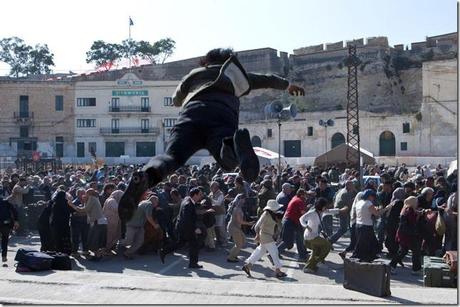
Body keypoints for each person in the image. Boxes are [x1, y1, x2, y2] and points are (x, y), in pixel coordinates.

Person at [119, 48, 305, 222]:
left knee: (171, 157)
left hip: (192, 116)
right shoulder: (235, 76)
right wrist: (287, 85)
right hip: (222, 116)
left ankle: (145, 176)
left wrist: (188, 92)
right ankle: (233, 143)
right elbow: (267, 79)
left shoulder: (194, 74)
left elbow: (176, 100)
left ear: (205, 62)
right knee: (227, 160)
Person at [160, 187, 205, 269]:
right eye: (200, 194)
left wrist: (199, 204)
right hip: (186, 228)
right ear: (195, 195)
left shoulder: (187, 199)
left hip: (182, 227)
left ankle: (164, 251)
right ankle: (193, 264)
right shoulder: (188, 205)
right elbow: (187, 219)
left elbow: (192, 205)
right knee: (194, 244)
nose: (201, 196)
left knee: (180, 243)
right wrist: (195, 229)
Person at [242, 200, 287, 279]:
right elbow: (257, 226)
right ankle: (278, 271)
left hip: (266, 236)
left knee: (260, 251)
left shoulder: (271, 214)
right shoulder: (266, 214)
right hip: (265, 236)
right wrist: (257, 235)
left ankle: (247, 266)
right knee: (274, 252)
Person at [299, 197, 342, 273]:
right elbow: (301, 219)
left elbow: (330, 211)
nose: (326, 208)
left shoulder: (321, 212)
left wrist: (340, 210)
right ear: (321, 206)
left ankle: (309, 267)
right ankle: (319, 261)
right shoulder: (312, 213)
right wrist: (306, 226)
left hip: (314, 236)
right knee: (327, 245)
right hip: (310, 237)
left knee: (317, 250)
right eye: (325, 206)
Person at [351, 189, 393, 262]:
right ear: (369, 196)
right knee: (369, 244)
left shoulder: (359, 202)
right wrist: (386, 208)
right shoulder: (368, 203)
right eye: (373, 196)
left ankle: (363, 258)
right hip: (366, 226)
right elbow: (377, 214)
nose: (373, 198)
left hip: (358, 225)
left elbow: (367, 211)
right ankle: (365, 259)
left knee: (362, 243)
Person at [390, 196, 427, 274]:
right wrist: (419, 215)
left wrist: (420, 213)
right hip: (408, 234)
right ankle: (416, 269)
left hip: (404, 233)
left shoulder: (406, 208)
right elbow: (412, 222)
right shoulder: (409, 210)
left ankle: (391, 266)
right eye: (416, 202)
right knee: (415, 251)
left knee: (403, 251)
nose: (417, 203)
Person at [68, 189, 107, 260]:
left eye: (85, 193)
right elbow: (86, 210)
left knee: (94, 239)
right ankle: (98, 254)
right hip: (97, 221)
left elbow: (84, 210)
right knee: (95, 239)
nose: (84, 195)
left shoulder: (92, 198)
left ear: (89, 193)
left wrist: (71, 205)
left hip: (96, 221)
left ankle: (97, 255)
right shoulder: (94, 198)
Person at [277, 189, 309, 261]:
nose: (306, 196)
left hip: (292, 221)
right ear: (302, 195)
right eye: (305, 195)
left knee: (299, 238)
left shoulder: (295, 198)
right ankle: (274, 252)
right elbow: (303, 213)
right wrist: (309, 210)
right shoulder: (299, 200)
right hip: (290, 222)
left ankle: (303, 254)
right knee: (288, 241)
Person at [226, 194, 254, 262]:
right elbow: (240, 221)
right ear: (241, 200)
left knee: (242, 241)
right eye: (244, 199)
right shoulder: (237, 209)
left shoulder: (238, 207)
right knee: (239, 244)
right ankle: (230, 257)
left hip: (235, 227)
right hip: (234, 228)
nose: (245, 201)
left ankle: (233, 253)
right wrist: (249, 223)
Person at [329, 180, 356, 246]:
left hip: (340, 210)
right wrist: (355, 199)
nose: (353, 186)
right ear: (348, 185)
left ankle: (354, 244)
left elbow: (334, 198)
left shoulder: (340, 190)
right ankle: (330, 241)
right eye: (352, 185)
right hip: (343, 212)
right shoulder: (346, 193)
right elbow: (349, 204)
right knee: (344, 229)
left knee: (348, 228)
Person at [50, 190, 72, 254]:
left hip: (56, 223)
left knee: (57, 238)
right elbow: (71, 210)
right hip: (64, 224)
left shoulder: (54, 203)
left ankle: (57, 251)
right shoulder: (66, 203)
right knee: (64, 237)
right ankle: (65, 252)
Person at [103, 190, 124, 254]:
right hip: (111, 222)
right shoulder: (112, 201)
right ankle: (106, 250)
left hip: (112, 221)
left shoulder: (110, 199)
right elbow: (117, 209)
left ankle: (108, 249)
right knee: (110, 236)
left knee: (112, 236)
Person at [70, 188, 90, 257]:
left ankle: (85, 250)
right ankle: (74, 251)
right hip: (76, 223)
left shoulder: (87, 201)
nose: (84, 195)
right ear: (78, 194)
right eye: (82, 193)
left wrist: (83, 212)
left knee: (86, 237)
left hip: (85, 222)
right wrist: (84, 212)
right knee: (75, 237)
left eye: (84, 193)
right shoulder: (75, 202)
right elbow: (75, 213)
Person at [0, 198, 18, 264]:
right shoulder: (6, 202)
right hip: (6, 223)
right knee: (5, 240)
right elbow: (14, 211)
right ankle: (4, 256)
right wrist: (16, 220)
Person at [209, 181, 227, 246]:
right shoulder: (211, 193)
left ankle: (224, 241)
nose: (211, 188)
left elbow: (218, 203)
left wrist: (211, 200)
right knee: (216, 228)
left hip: (220, 213)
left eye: (212, 187)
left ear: (216, 187)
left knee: (221, 228)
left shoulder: (220, 194)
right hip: (214, 213)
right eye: (211, 187)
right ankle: (218, 240)